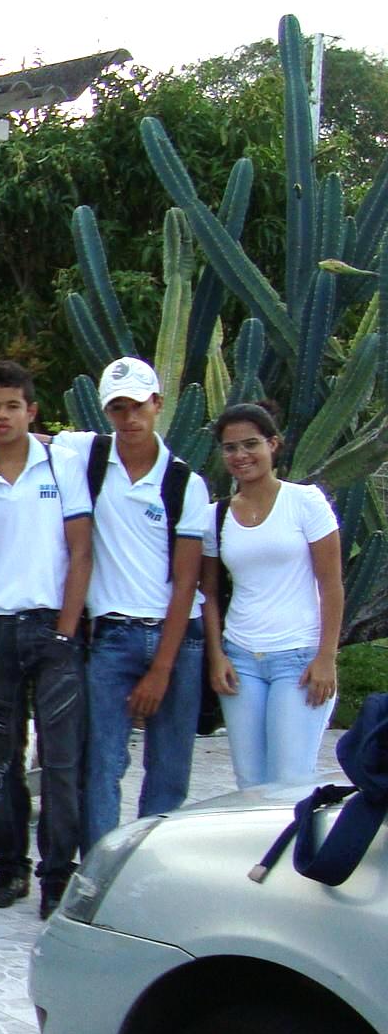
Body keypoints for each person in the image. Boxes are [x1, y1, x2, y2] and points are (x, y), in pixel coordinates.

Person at [0, 361, 92, 916]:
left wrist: (66, 630)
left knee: (60, 762)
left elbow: (81, 552)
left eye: (13, 406)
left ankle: (58, 876)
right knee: (0, 761)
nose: (2, 416)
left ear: (31, 412)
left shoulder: (64, 463)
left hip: (54, 627)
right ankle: (10, 869)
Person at [59, 358, 212, 849]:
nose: (129, 419)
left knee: (169, 767)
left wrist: (161, 670)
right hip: (111, 637)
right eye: (117, 408)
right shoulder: (88, 455)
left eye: (138, 406)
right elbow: (24, 437)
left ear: (158, 405)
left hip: (176, 639)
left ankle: (148, 866)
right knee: (102, 764)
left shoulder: (185, 483)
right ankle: (101, 870)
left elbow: (186, 582)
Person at [202, 401, 343, 788]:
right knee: (250, 782)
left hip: (298, 658)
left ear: (273, 445)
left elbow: (331, 584)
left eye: (251, 444)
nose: (241, 455)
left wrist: (326, 657)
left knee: (290, 780)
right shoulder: (217, 516)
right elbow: (209, 593)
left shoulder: (305, 502)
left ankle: (304, 851)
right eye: (231, 448)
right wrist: (217, 655)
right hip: (242, 658)